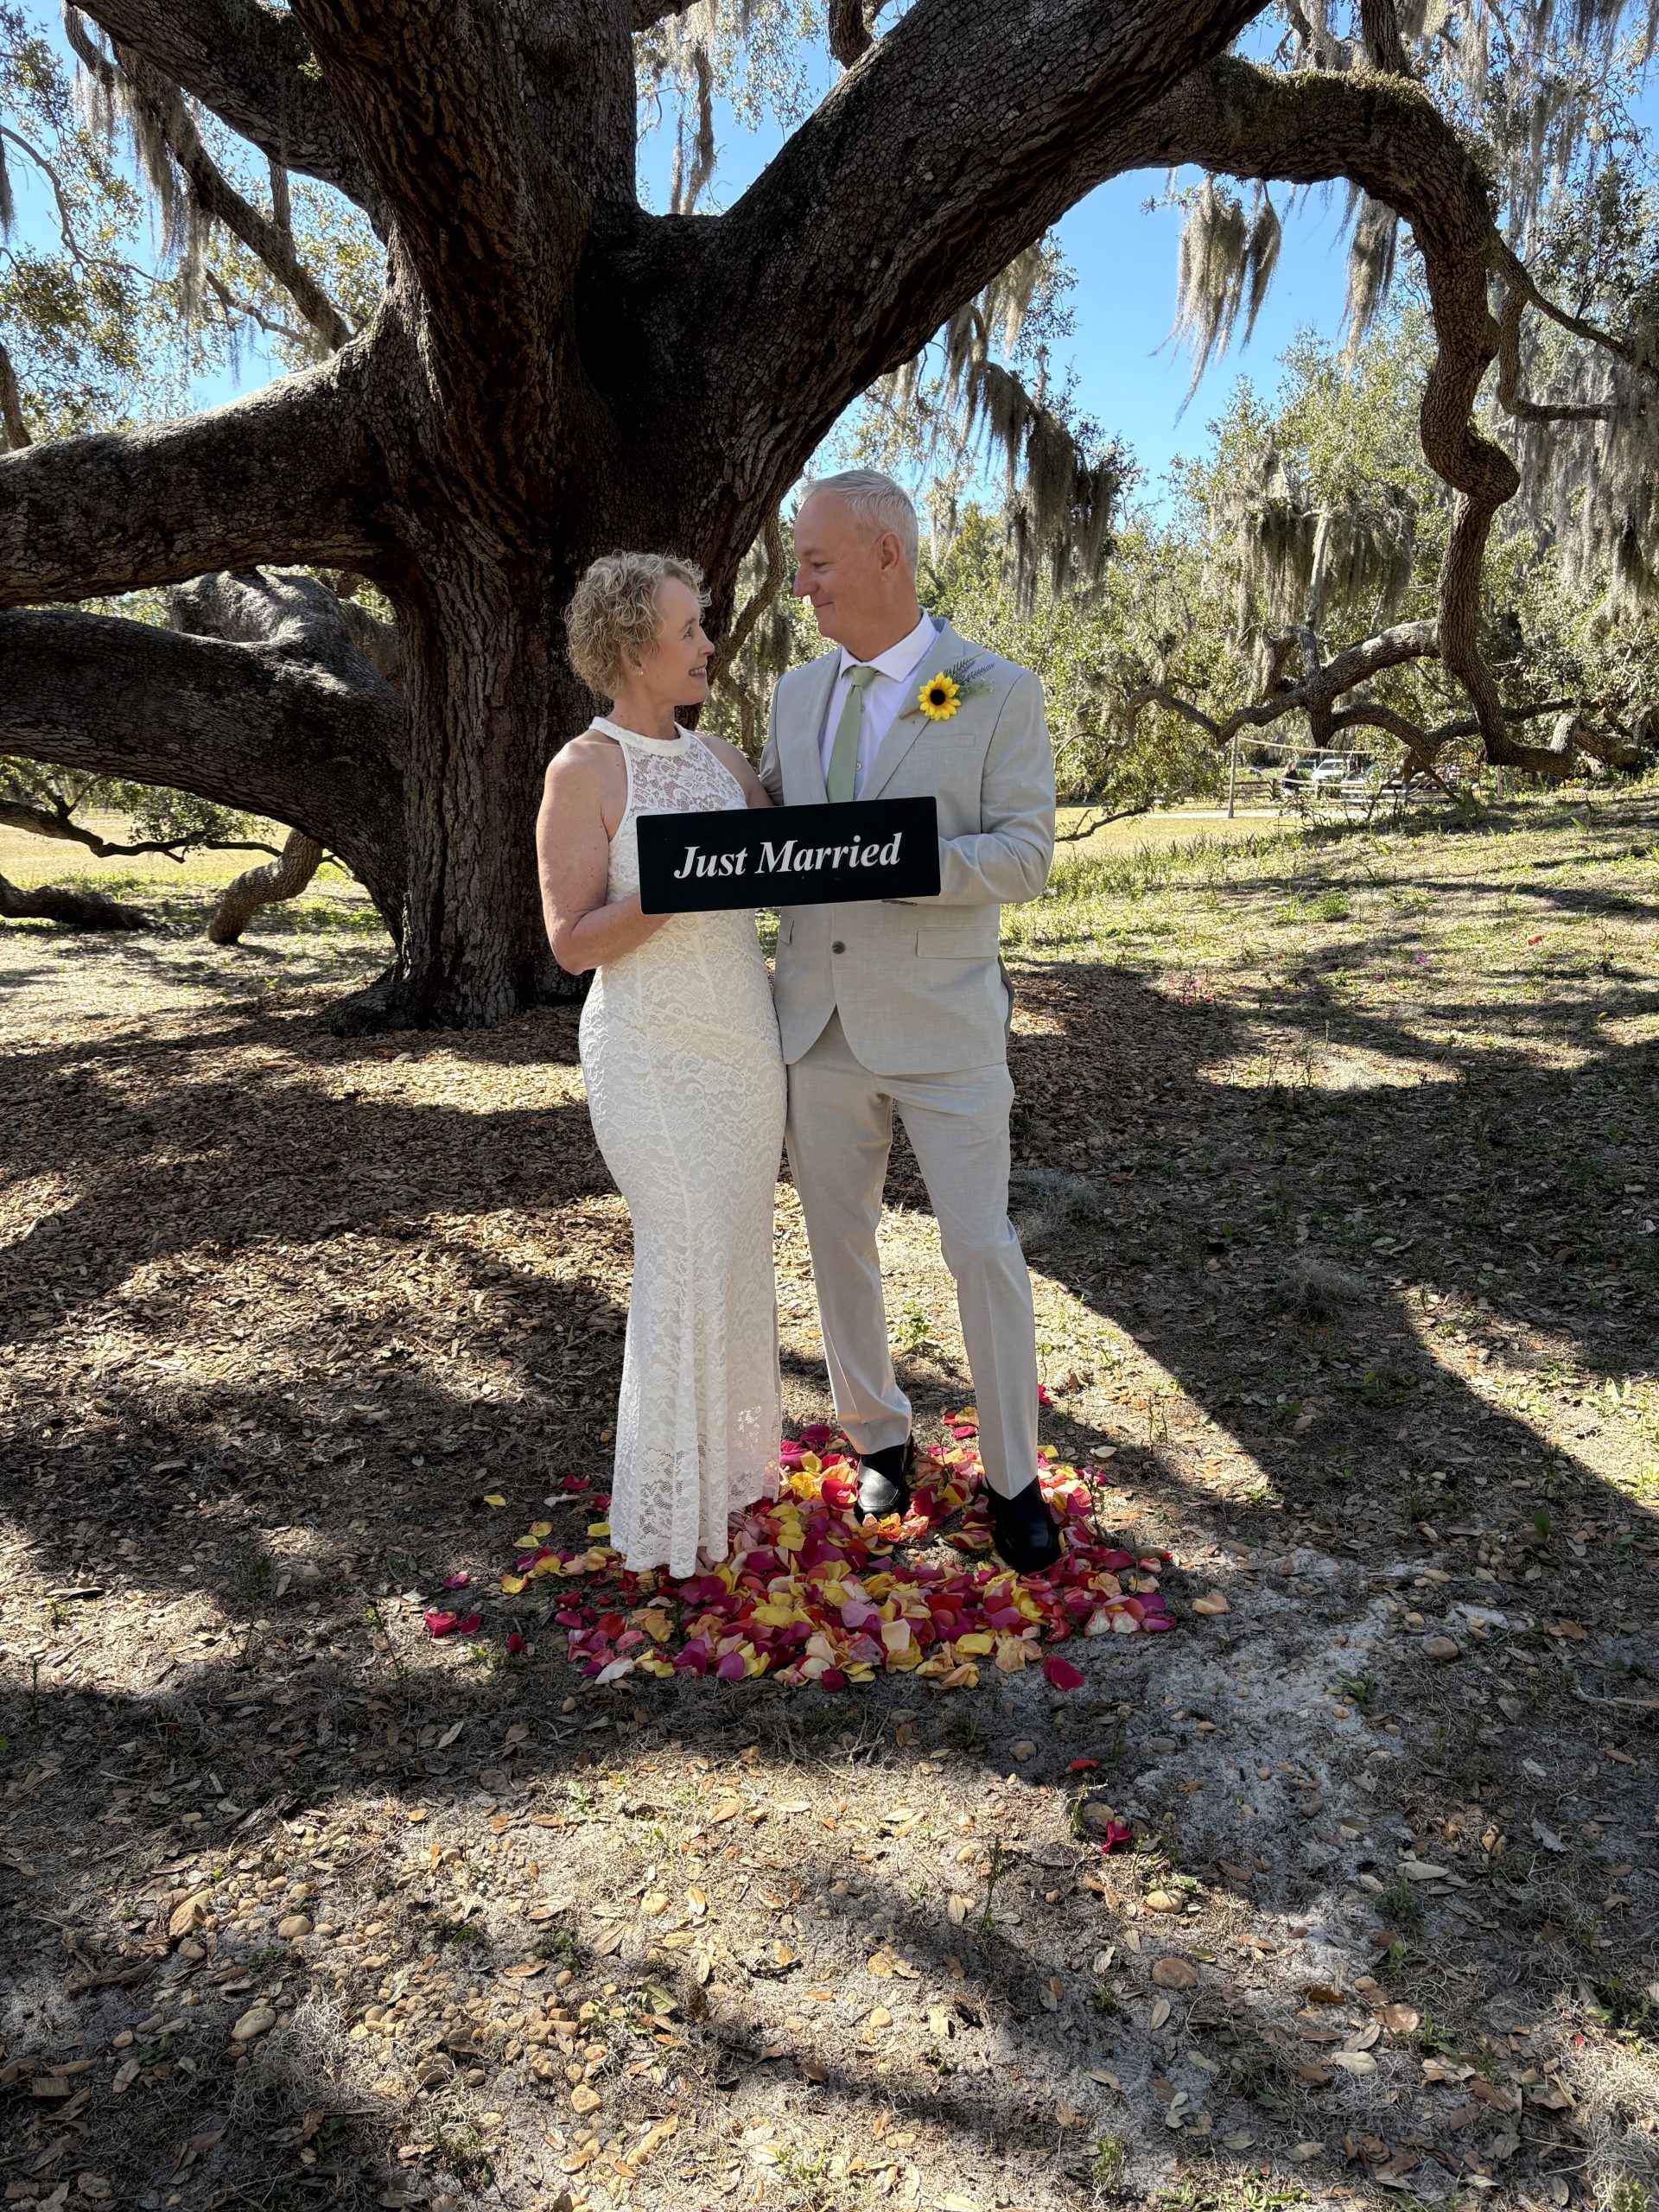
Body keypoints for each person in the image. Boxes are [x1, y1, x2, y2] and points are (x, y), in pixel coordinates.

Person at [759, 469, 1060, 1573]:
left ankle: (1014, 1476)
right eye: (798, 566)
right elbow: (776, 821)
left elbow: (1025, 854)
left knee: (980, 1246)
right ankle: (878, 1437)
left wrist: (901, 860)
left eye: (816, 562)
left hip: (944, 1023)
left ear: (888, 553)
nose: (801, 586)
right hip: (814, 1019)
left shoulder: (996, 690)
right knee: (837, 1242)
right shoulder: (795, 692)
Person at [537, 553, 785, 1579]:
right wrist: (676, 884)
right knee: (682, 1248)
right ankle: (668, 1513)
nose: (708, 645)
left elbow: (786, 864)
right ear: (634, 648)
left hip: (744, 1047)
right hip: (648, 1053)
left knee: (735, 1250)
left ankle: (731, 1478)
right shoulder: (584, 771)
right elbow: (569, 941)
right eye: (690, 630)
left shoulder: (723, 760)